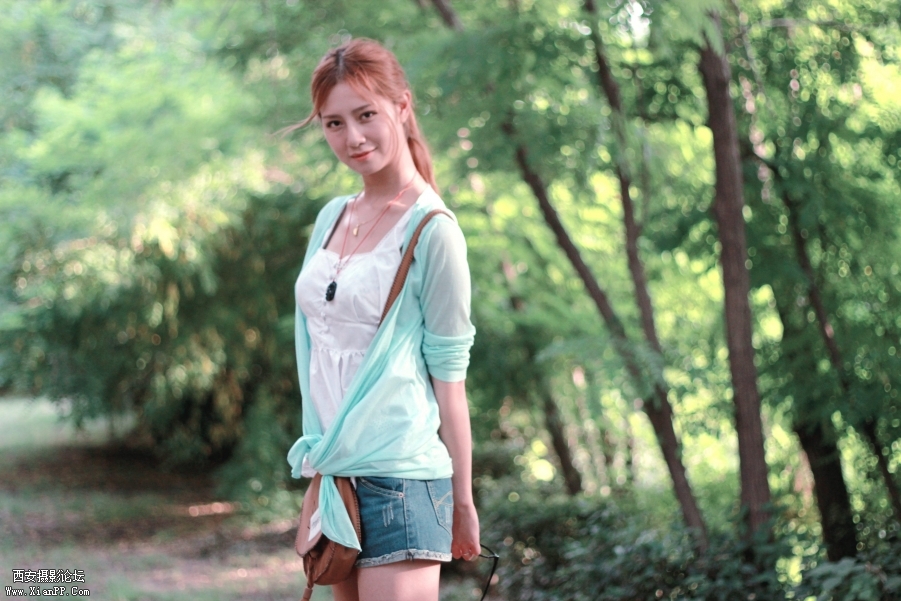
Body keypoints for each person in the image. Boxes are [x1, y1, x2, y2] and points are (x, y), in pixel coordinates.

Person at [285, 38, 481, 601]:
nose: (353, 137)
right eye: (334, 123)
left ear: (402, 106)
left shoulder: (433, 229)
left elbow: (450, 379)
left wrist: (463, 501)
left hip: (404, 480)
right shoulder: (331, 217)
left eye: (366, 114)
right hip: (335, 477)